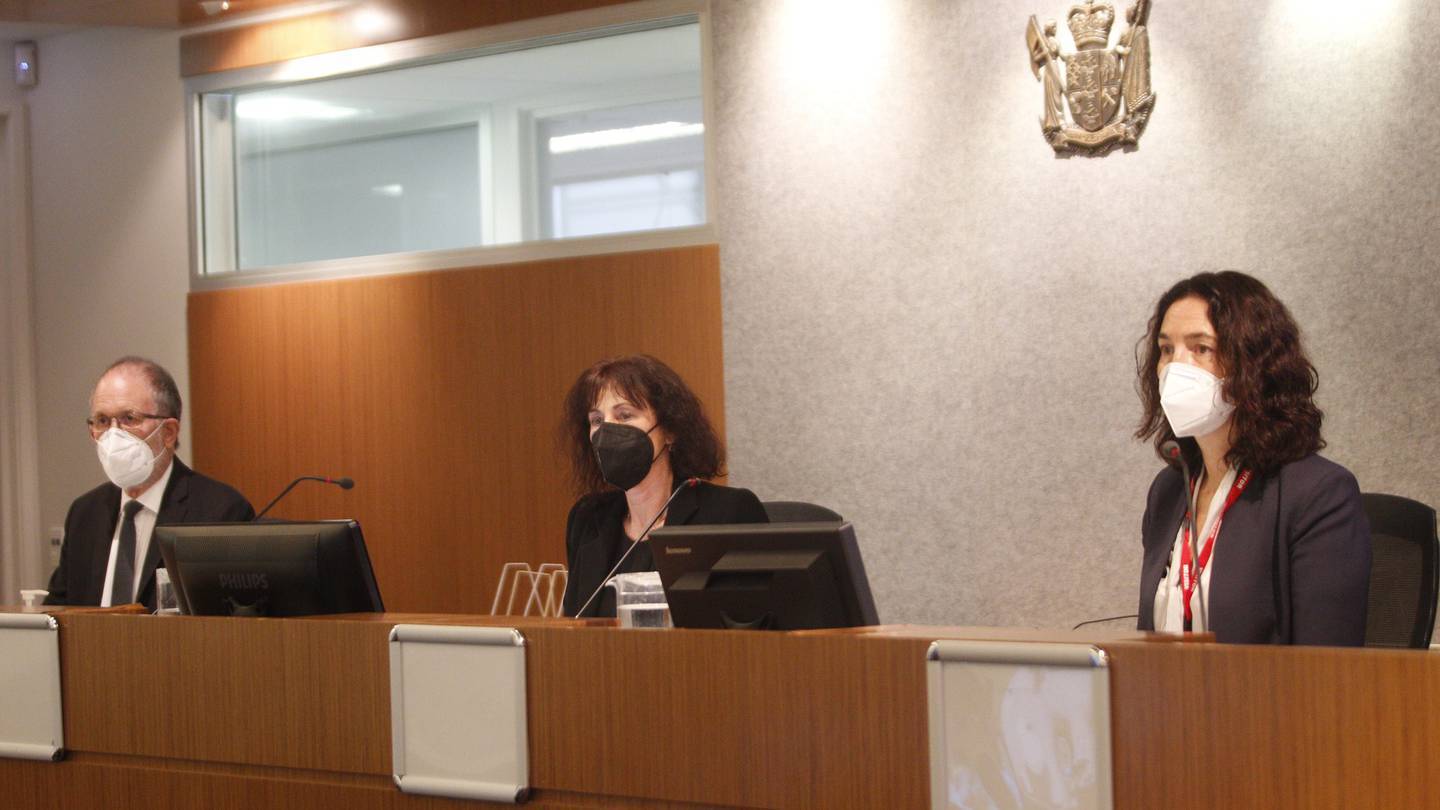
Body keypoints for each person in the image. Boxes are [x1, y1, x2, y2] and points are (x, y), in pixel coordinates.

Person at [1134, 272, 1370, 645]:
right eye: (1166, 350)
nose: (1175, 368)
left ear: (1254, 365)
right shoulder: (1169, 491)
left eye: (1201, 349)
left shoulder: (1318, 494)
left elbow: (1329, 670)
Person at [559, 354, 768, 618]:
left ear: (670, 430)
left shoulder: (727, 512)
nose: (607, 431)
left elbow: (751, 631)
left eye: (625, 415)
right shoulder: (587, 518)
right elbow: (573, 625)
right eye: (597, 421)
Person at [44, 357, 255, 609]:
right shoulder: (84, 513)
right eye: (102, 421)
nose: (113, 434)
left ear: (168, 433)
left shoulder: (219, 511)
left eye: (129, 419)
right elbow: (57, 611)